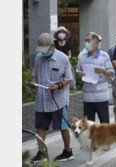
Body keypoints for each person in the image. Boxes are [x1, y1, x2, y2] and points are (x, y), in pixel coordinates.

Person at [29, 33, 74, 163]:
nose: (43, 53)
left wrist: (58, 85)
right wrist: (33, 82)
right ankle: (41, 153)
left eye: (46, 50)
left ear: (53, 46)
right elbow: (35, 75)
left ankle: (67, 151)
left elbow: (68, 79)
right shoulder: (38, 57)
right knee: (40, 127)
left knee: (63, 126)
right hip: (41, 99)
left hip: (58, 100)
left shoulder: (63, 58)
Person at [76, 32, 114, 123]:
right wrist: (80, 74)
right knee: (88, 125)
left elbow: (111, 72)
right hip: (87, 96)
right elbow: (77, 71)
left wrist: (103, 71)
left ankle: (105, 138)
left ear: (96, 43)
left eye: (88, 41)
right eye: (85, 41)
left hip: (101, 96)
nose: (86, 43)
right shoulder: (82, 56)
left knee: (104, 123)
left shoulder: (104, 56)